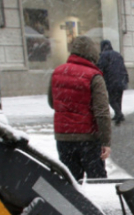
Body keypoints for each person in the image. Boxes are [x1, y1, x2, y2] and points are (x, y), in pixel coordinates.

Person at [48, 35, 111, 182]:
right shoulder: (94, 76)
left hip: (63, 137)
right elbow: (102, 111)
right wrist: (106, 142)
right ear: (93, 54)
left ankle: (73, 205)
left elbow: (53, 103)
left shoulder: (57, 72)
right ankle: (97, 205)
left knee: (71, 182)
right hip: (88, 139)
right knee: (98, 181)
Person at [98, 40, 129, 125]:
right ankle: (117, 114)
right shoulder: (118, 54)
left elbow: (101, 67)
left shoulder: (104, 55)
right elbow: (123, 67)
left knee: (111, 100)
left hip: (111, 79)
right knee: (118, 98)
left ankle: (119, 114)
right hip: (121, 78)